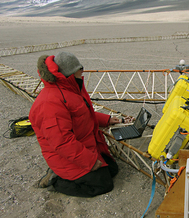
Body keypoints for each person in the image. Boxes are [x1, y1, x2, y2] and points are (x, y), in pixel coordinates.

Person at [29, 52, 134, 197]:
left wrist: (108, 119)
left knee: (113, 170)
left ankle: (68, 174)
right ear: (70, 74)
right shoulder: (50, 102)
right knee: (103, 184)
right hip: (63, 155)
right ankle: (56, 180)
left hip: (81, 146)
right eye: (80, 71)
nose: (82, 74)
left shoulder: (68, 90)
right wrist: (90, 161)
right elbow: (62, 142)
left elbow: (81, 115)